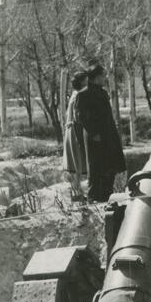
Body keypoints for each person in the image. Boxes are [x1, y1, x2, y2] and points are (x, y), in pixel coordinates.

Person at [75, 63, 127, 202]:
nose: (105, 78)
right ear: (96, 77)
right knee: (97, 167)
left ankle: (107, 195)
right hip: (95, 138)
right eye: (103, 76)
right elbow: (81, 117)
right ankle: (94, 197)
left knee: (110, 167)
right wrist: (94, 133)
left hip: (108, 134)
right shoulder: (83, 95)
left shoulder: (102, 92)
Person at [63, 70, 88, 200]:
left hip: (71, 130)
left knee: (76, 162)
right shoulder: (78, 95)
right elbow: (77, 117)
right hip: (75, 130)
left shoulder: (75, 95)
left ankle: (77, 192)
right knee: (78, 160)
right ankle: (77, 193)